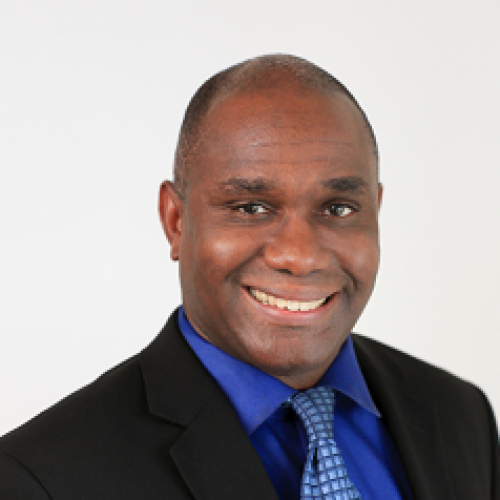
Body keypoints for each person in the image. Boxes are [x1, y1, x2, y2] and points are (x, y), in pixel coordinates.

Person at [0, 54, 498, 500]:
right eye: (251, 207)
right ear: (176, 221)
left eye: (339, 208)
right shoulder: (41, 479)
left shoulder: (460, 414)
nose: (300, 256)